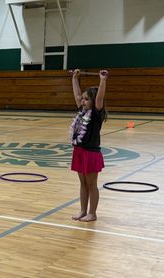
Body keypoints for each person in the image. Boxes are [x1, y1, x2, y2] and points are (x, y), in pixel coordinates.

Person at [70, 69, 108, 222]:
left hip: (91, 153)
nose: (82, 101)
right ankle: (83, 210)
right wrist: (74, 78)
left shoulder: (96, 113)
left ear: (93, 102)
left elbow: (100, 98)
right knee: (83, 183)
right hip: (79, 151)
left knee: (92, 184)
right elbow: (77, 95)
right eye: (83, 99)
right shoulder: (82, 111)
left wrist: (102, 81)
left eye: (86, 99)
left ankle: (92, 213)